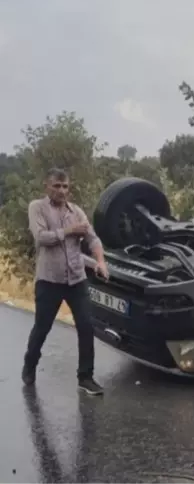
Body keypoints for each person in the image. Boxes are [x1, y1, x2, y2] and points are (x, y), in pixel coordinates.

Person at [22, 168, 109, 395]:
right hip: (49, 280)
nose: (62, 191)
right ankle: (29, 365)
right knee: (42, 327)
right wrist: (70, 230)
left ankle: (86, 377)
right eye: (57, 186)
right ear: (47, 186)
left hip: (76, 279)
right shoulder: (37, 207)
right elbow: (41, 238)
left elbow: (93, 238)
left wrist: (100, 261)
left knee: (86, 326)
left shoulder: (76, 211)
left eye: (65, 186)